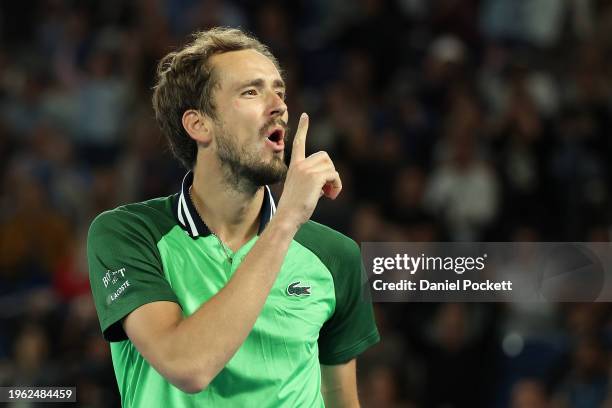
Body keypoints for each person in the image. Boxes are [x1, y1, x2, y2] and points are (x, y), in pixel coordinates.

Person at [87, 27, 379, 407]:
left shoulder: (334, 254)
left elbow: (341, 400)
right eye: (251, 92)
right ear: (198, 124)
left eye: (279, 91)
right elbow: (187, 365)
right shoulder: (128, 234)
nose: (278, 106)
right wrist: (286, 220)